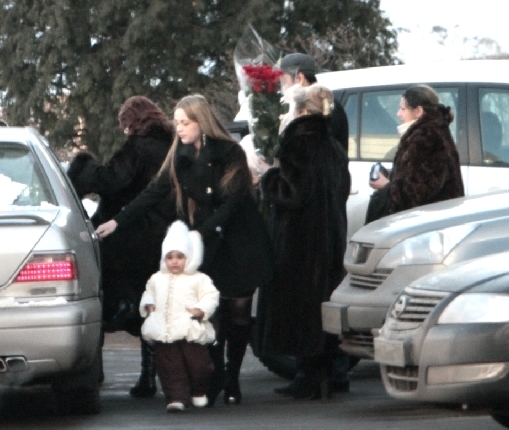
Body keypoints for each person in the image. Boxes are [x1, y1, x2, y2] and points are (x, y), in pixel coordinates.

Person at [96, 94, 273, 407]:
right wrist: (118, 221)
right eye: (176, 122)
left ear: (200, 122)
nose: (178, 128)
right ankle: (217, 376)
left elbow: (233, 201)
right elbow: (155, 191)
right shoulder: (178, 153)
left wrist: (199, 233)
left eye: (184, 122)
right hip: (209, 241)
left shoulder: (228, 151)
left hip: (239, 238)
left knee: (239, 312)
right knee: (213, 310)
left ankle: (233, 377)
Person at [67, 95, 175, 398]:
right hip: (162, 237)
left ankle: (96, 371)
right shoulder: (169, 145)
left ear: (133, 120)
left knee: (114, 296)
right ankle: (149, 375)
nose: (124, 130)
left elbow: (112, 180)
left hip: (129, 236)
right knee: (151, 304)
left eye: (124, 123)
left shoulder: (137, 147)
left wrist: (83, 167)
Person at [256, 84, 351, 399]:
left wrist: (268, 177)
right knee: (321, 305)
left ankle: (309, 376)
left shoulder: (298, 143)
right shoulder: (333, 145)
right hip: (329, 237)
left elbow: (292, 193)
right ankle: (327, 373)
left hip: (300, 241)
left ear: (299, 111)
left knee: (302, 307)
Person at [140, 220, 220, 412]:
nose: (174, 261)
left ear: (190, 258)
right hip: (164, 330)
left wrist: (201, 309)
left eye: (180, 256)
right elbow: (149, 292)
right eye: (169, 257)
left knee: (199, 366)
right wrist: (148, 304)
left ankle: (199, 391)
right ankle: (176, 398)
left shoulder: (199, 279)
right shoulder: (157, 278)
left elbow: (211, 295)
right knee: (170, 367)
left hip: (189, 329)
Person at [366, 84, 465, 223]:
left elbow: (418, 191)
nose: (398, 114)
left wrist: (387, 187)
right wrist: (389, 175)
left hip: (426, 225)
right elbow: (417, 174)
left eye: (403, 109)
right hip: (429, 222)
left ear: (418, 111)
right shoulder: (430, 131)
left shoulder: (428, 137)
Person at [279, 53, 349, 152]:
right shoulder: (301, 106)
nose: (283, 88)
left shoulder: (325, 105)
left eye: (284, 81)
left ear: (299, 78)